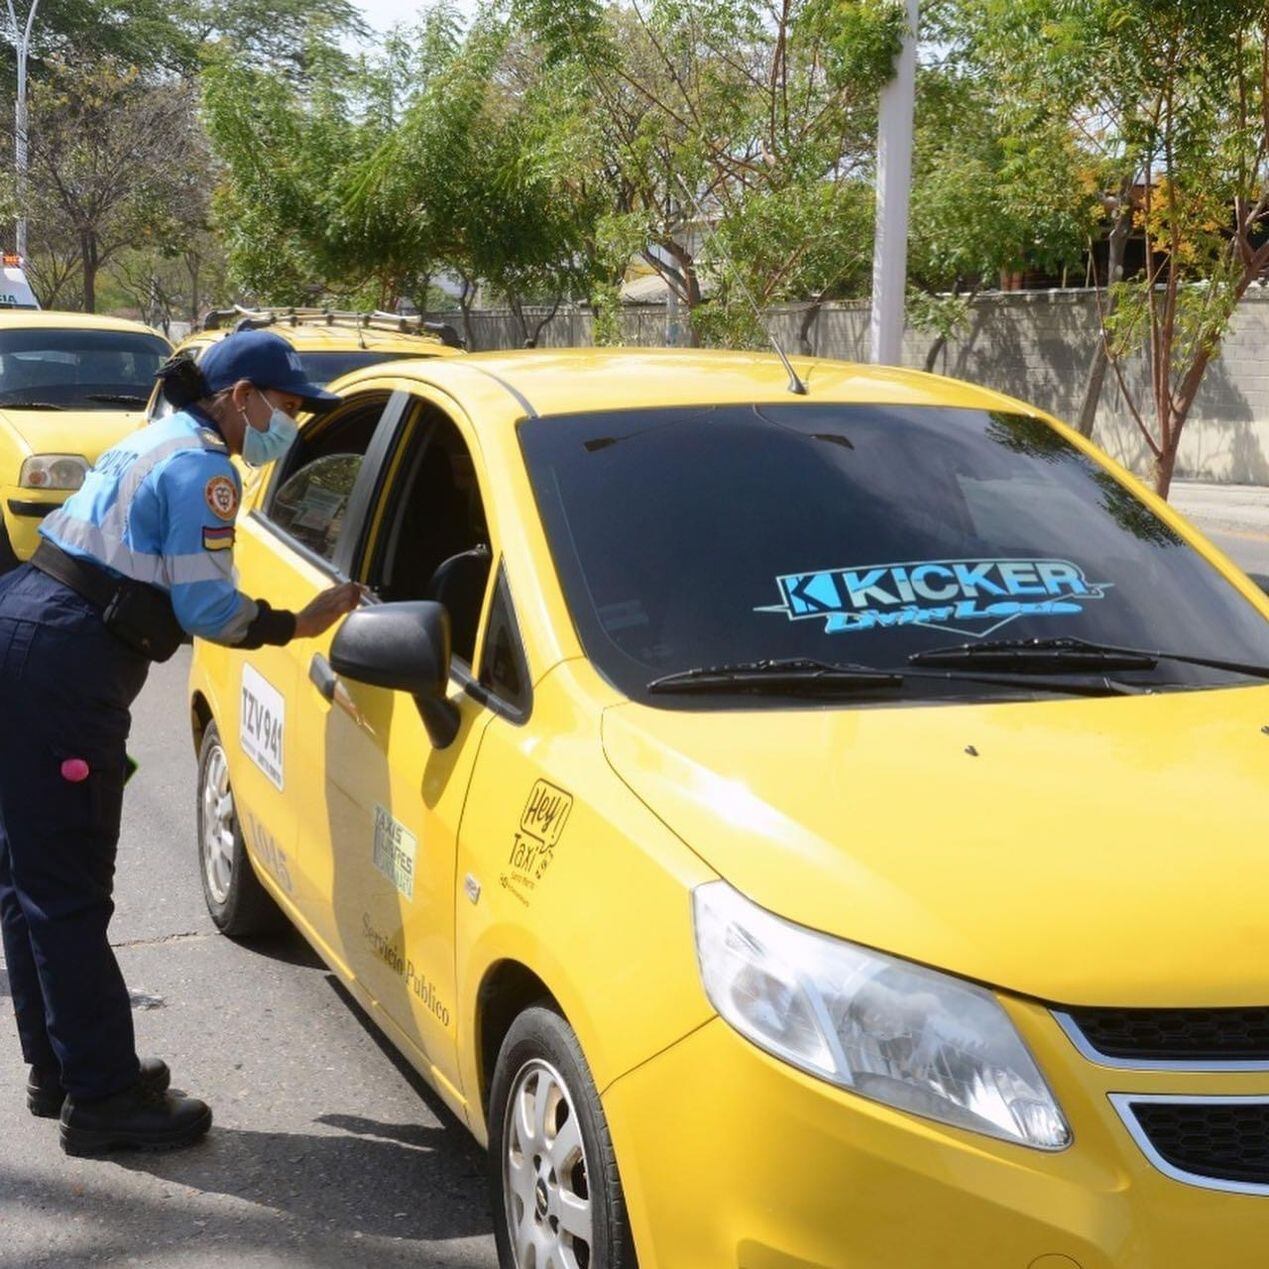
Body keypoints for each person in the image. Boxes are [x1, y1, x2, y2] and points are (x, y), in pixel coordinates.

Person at [0, 329, 363, 1157]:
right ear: (241, 397)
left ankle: (62, 1066)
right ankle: (101, 1097)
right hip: (67, 661)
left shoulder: (154, 435)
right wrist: (296, 623)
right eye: (288, 404)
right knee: (67, 886)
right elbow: (207, 613)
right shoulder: (206, 469)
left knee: (28, 875)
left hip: (26, 626)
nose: (291, 422)